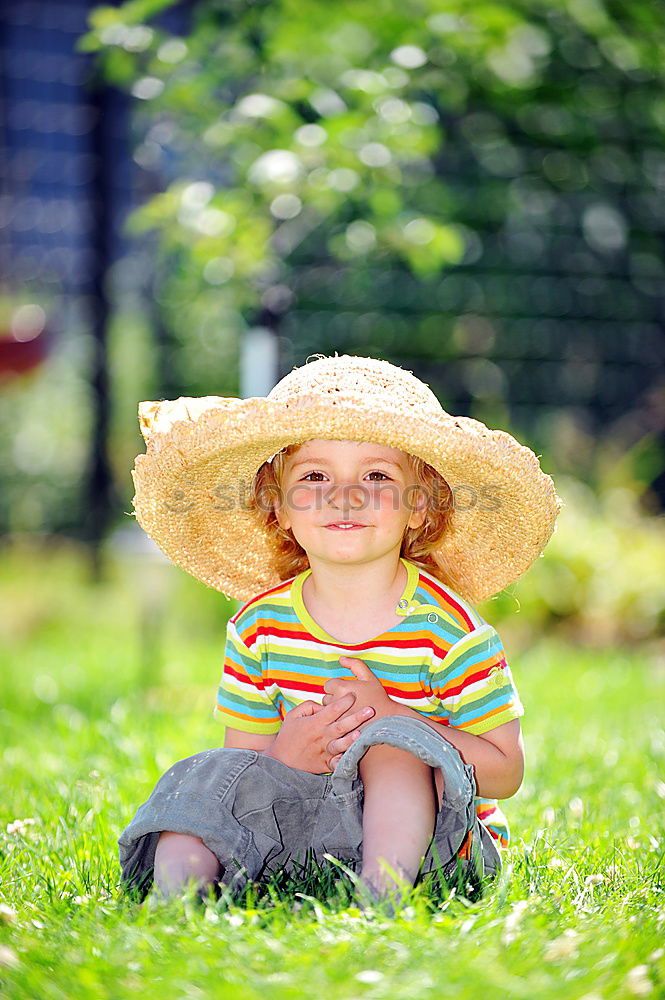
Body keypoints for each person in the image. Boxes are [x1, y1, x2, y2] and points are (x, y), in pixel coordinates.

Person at [118, 354, 559, 905]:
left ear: (418, 506)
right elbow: (247, 767)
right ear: (277, 506)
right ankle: (175, 900)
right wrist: (287, 753)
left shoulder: (450, 631)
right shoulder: (259, 627)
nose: (344, 494)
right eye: (315, 475)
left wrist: (397, 719)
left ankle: (382, 895)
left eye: (376, 476)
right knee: (208, 775)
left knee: (392, 751)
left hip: (434, 845)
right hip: (297, 835)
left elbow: (505, 772)